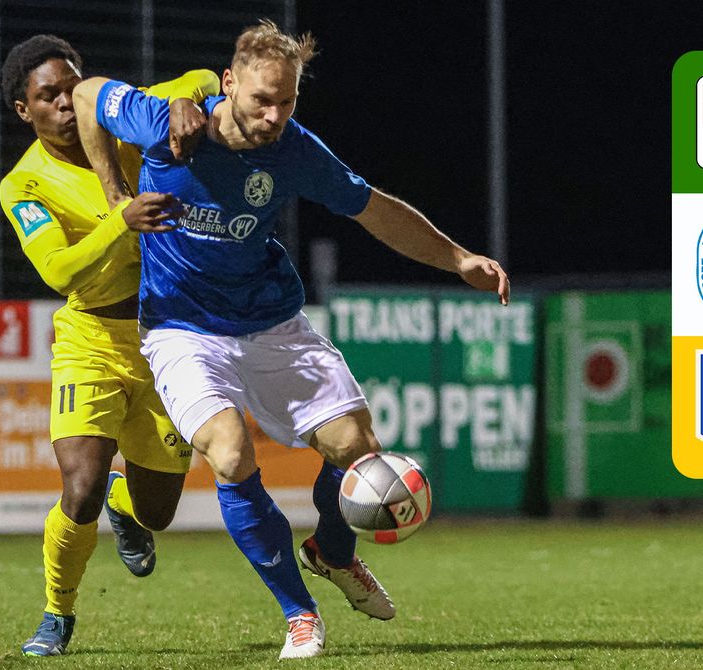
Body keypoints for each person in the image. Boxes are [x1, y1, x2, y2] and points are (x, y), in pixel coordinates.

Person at [74, 19, 511, 660]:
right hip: (183, 328)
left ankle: (332, 553)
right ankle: (299, 613)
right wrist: (117, 199)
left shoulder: (294, 148)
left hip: (272, 322)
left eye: (287, 102)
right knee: (229, 454)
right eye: (261, 100)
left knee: (360, 453)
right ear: (229, 84)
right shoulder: (163, 122)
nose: (274, 114)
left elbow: (372, 206)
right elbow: (86, 95)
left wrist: (458, 258)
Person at [0, 34, 218, 656]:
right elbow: (61, 271)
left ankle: (131, 506)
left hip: (165, 336)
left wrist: (189, 101)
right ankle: (56, 614)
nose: (67, 103)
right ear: (25, 110)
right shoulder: (23, 186)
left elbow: (200, 75)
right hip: (90, 336)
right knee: (81, 485)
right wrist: (119, 223)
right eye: (49, 96)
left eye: (72, 88)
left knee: (159, 511)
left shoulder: (122, 119)